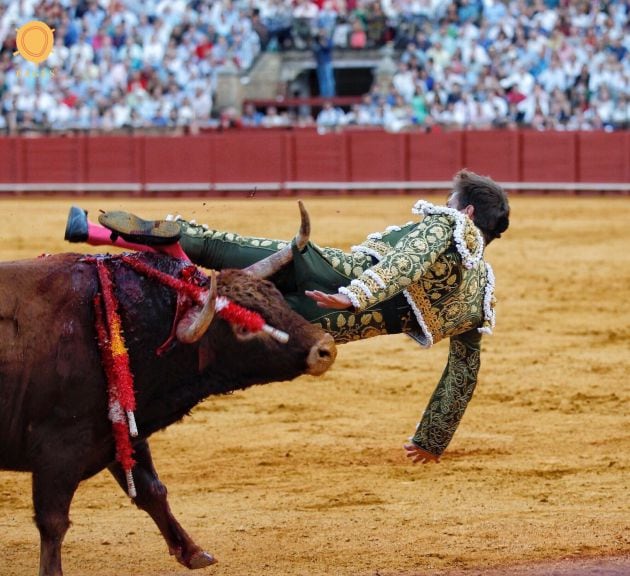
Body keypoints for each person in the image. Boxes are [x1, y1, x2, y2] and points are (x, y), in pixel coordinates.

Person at [64, 169, 510, 464]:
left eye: (453, 201)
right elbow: (463, 372)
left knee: (217, 248)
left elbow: (405, 262)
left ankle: (98, 231)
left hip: (321, 271)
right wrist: (432, 441)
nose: (447, 204)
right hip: (326, 324)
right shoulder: (478, 295)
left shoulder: (452, 225)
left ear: (468, 212)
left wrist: (357, 293)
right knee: (221, 313)